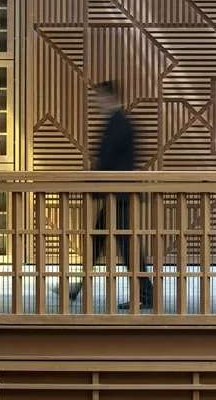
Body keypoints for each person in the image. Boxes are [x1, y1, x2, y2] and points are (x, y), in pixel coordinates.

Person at [69, 81, 153, 309]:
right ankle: (76, 286)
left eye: (99, 97)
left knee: (128, 247)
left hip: (119, 195)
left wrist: (89, 180)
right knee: (98, 240)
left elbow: (108, 160)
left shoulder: (118, 123)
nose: (97, 101)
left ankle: (147, 296)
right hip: (115, 194)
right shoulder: (117, 122)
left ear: (110, 97)